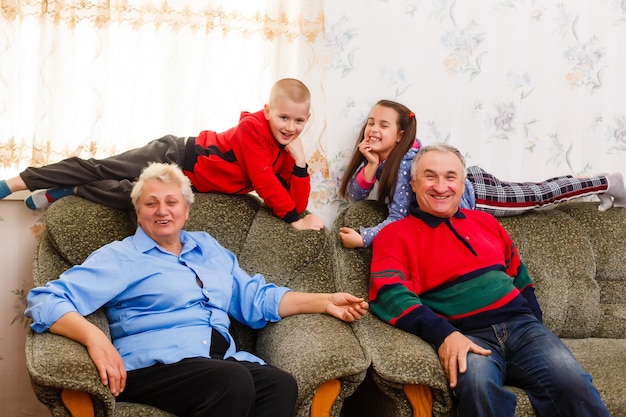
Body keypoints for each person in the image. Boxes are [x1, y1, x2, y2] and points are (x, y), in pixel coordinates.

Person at [24, 162, 368, 417]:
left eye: (171, 202)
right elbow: (45, 300)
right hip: (153, 368)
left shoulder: (208, 249)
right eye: (151, 203)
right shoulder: (122, 256)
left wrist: (325, 302)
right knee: (232, 381)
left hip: (216, 364)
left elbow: (256, 298)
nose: (162, 211)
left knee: (279, 384)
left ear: (187, 210)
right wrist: (94, 338)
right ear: (138, 211)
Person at [368, 143, 610, 417]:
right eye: (429, 176)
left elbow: (519, 274)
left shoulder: (485, 222)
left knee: (573, 385)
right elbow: (389, 293)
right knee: (479, 388)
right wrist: (444, 335)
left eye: (450, 177)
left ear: (462, 184)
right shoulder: (394, 235)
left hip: (523, 328)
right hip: (466, 336)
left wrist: (534, 324)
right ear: (413, 183)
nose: (441, 186)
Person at [0, 78, 324, 231]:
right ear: (268, 111)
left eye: (298, 120)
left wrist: (300, 164)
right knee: (102, 168)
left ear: (307, 120)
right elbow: (266, 184)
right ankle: (19, 181)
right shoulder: (253, 129)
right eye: (283, 117)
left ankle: (69, 191)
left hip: (188, 181)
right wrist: (295, 220)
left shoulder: (286, 153)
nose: (290, 127)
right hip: (177, 154)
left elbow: (292, 202)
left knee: (133, 197)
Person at [338, 99, 626, 248]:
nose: (373, 129)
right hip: (471, 181)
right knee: (540, 191)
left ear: (400, 134)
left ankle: (608, 182)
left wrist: (364, 237)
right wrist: (372, 166)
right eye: (371, 122)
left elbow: (398, 219)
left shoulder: (404, 167)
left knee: (541, 194)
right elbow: (354, 195)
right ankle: (602, 183)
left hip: (480, 194)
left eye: (383, 125)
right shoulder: (381, 161)